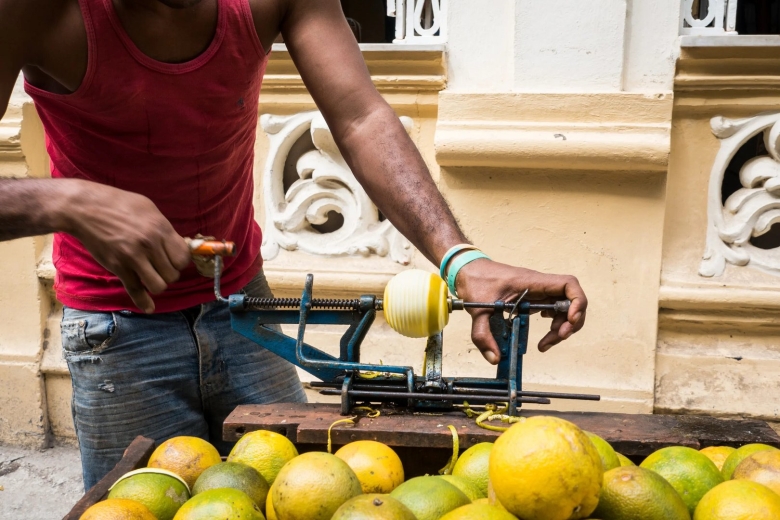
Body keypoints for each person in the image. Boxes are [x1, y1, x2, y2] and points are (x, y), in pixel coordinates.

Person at [0, 0, 588, 489]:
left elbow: (358, 116)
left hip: (243, 305)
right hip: (114, 326)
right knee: (140, 502)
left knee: (299, 492)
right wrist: (66, 202)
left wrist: (460, 258)